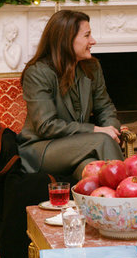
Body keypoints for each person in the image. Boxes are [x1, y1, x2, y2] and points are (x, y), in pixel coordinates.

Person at [17, 10, 123, 180]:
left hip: (79, 146)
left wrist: (112, 129)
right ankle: (132, 197)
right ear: (66, 40)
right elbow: (47, 125)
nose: (93, 41)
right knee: (102, 141)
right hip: (41, 149)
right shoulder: (37, 73)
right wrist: (96, 131)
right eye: (87, 35)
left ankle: (102, 205)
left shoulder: (92, 68)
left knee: (92, 169)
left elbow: (105, 108)